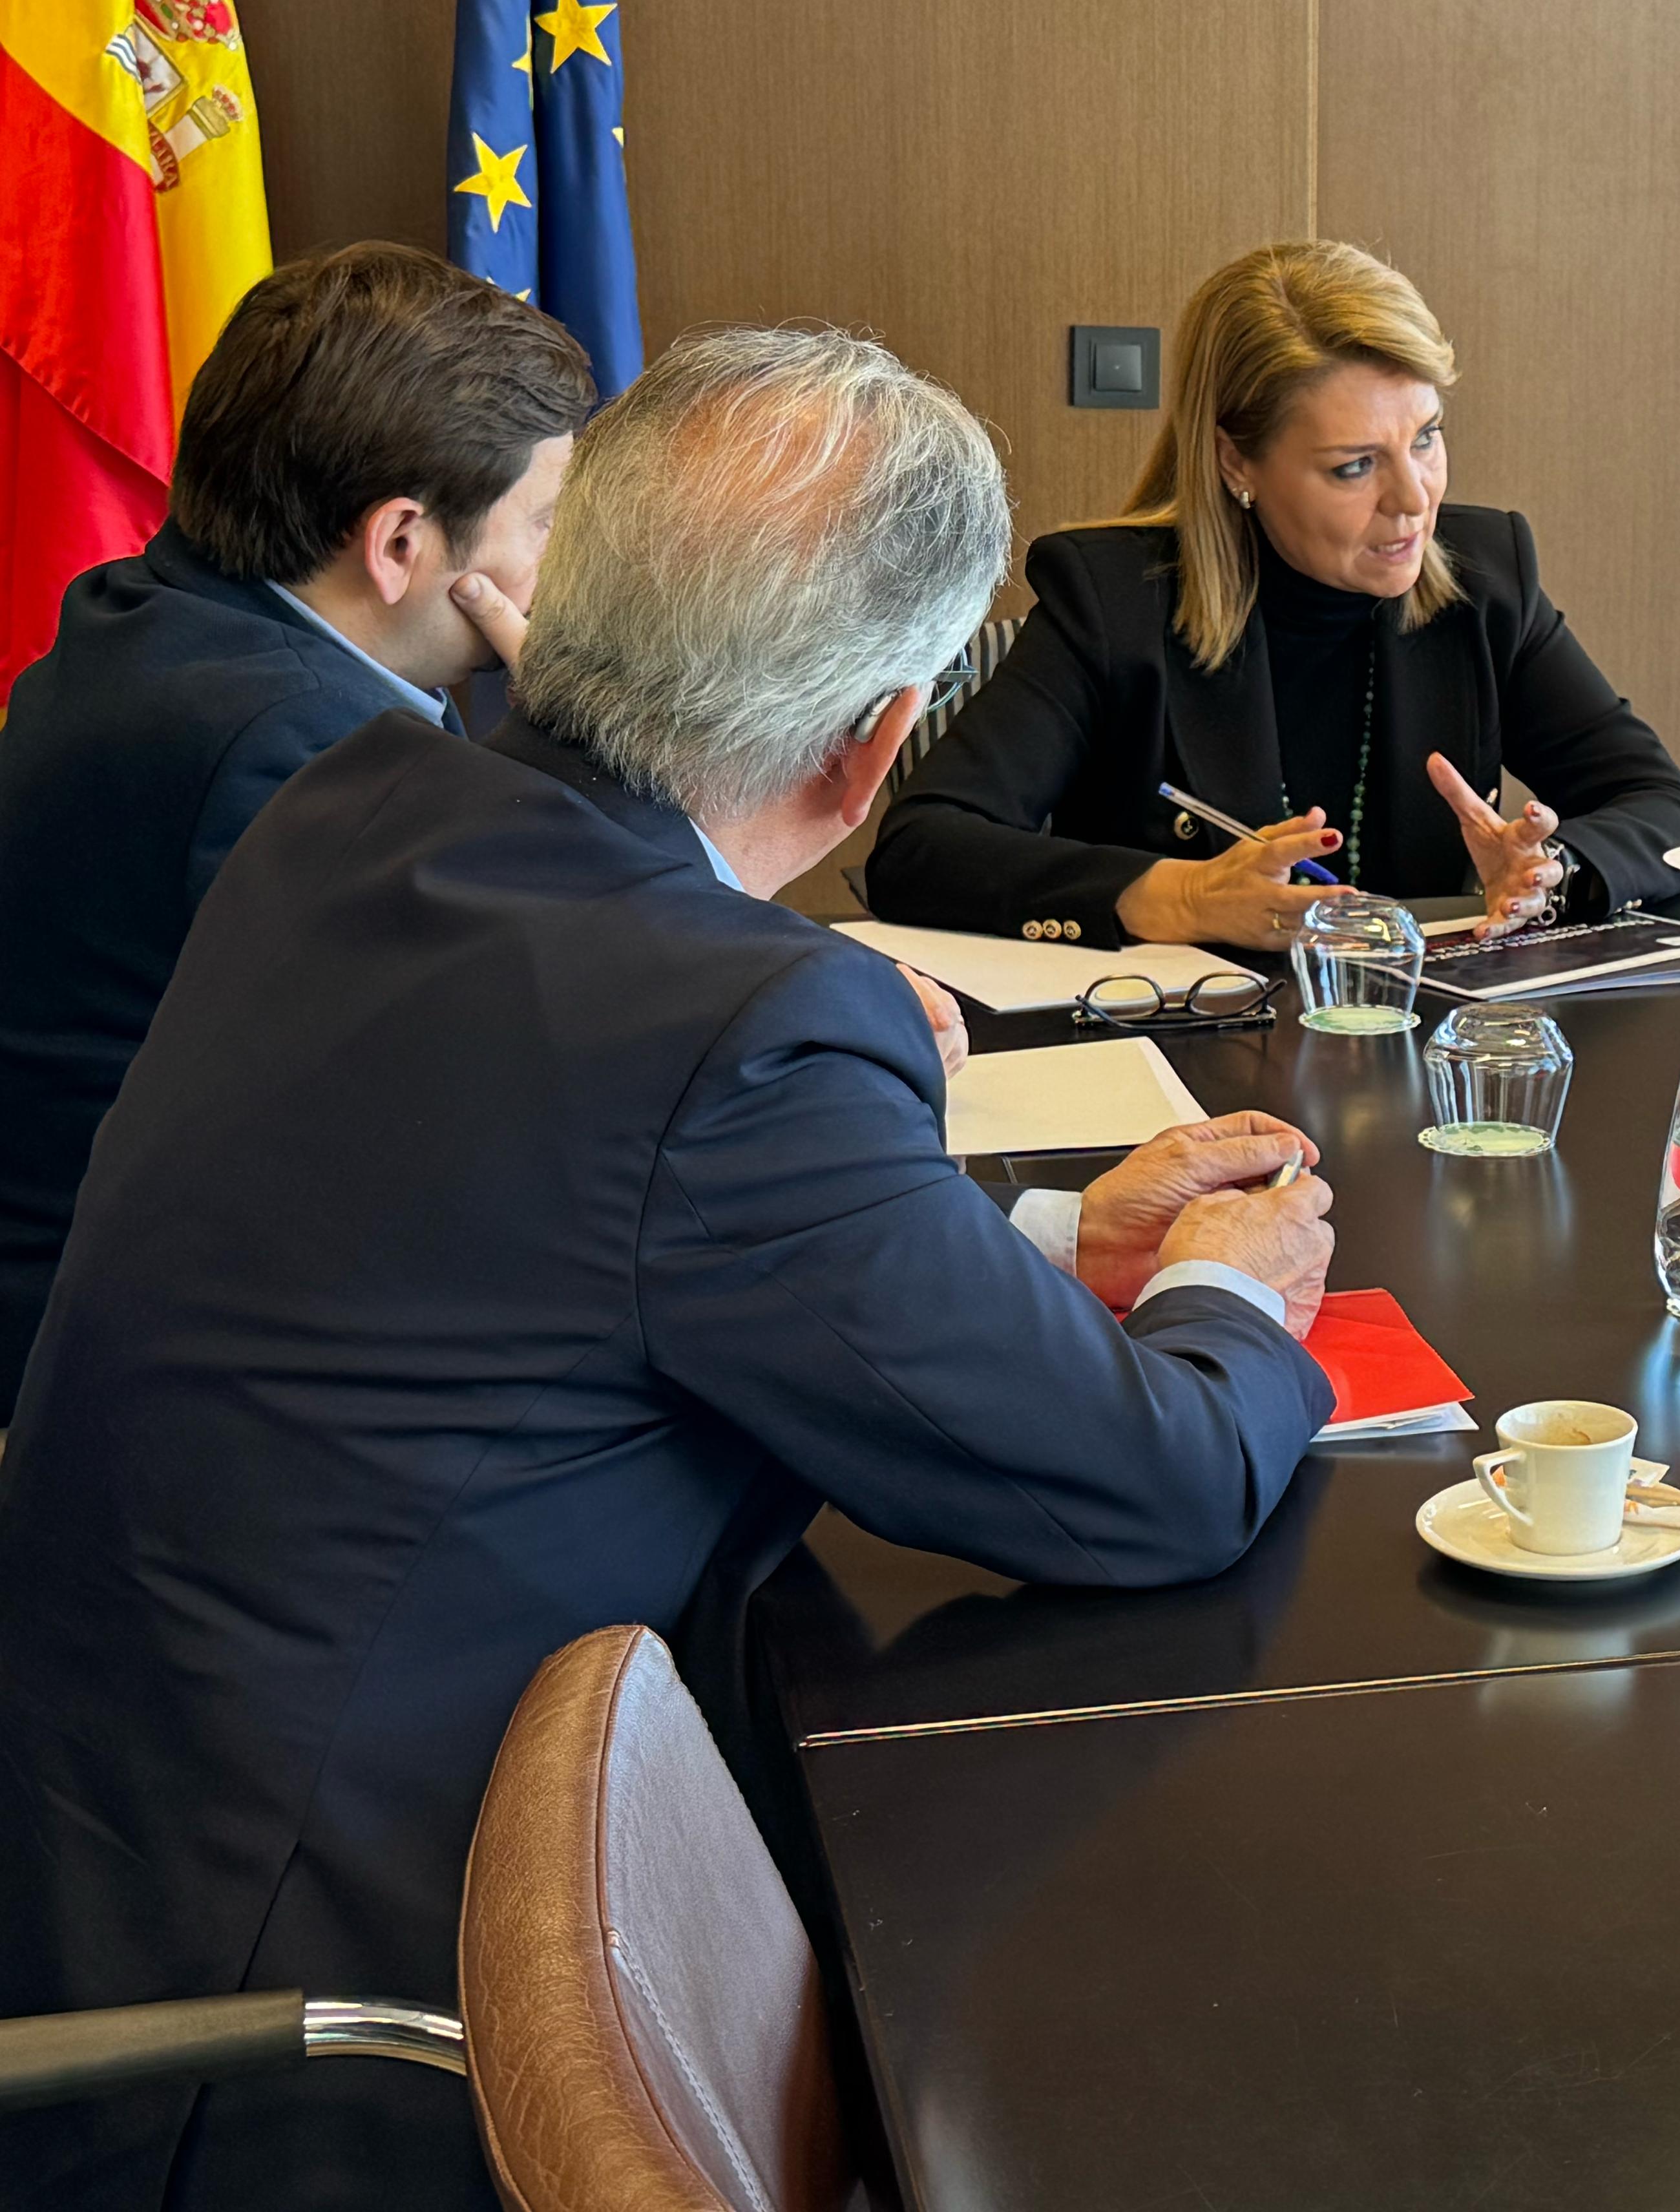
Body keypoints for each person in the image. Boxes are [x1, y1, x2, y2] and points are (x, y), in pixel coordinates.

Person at [0, 326, 1340, 2212]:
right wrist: (1226, 1287)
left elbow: (557, 1246)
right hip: (310, 2027)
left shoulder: (370, 807)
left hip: (104, 1854)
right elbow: (1147, 1482)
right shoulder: (735, 1019)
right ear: (880, 738)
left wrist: (1040, 1237)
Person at [0, 243, 587, 1415]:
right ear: (401, 545)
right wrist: (587, 747)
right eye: (546, 522)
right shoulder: (299, 745)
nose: (561, 570)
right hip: (128, 1385)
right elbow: (517, 1088)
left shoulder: (150, 613)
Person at [865, 239, 1680, 947]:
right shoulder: (1112, 601)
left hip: (1417, 1050)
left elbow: (1667, 806)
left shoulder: (1487, 578)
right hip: (1184, 1054)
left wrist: (1549, 873)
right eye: (1354, 466)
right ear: (1237, 461)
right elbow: (919, 849)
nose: (1414, 499)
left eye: (1426, 439)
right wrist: (1184, 897)